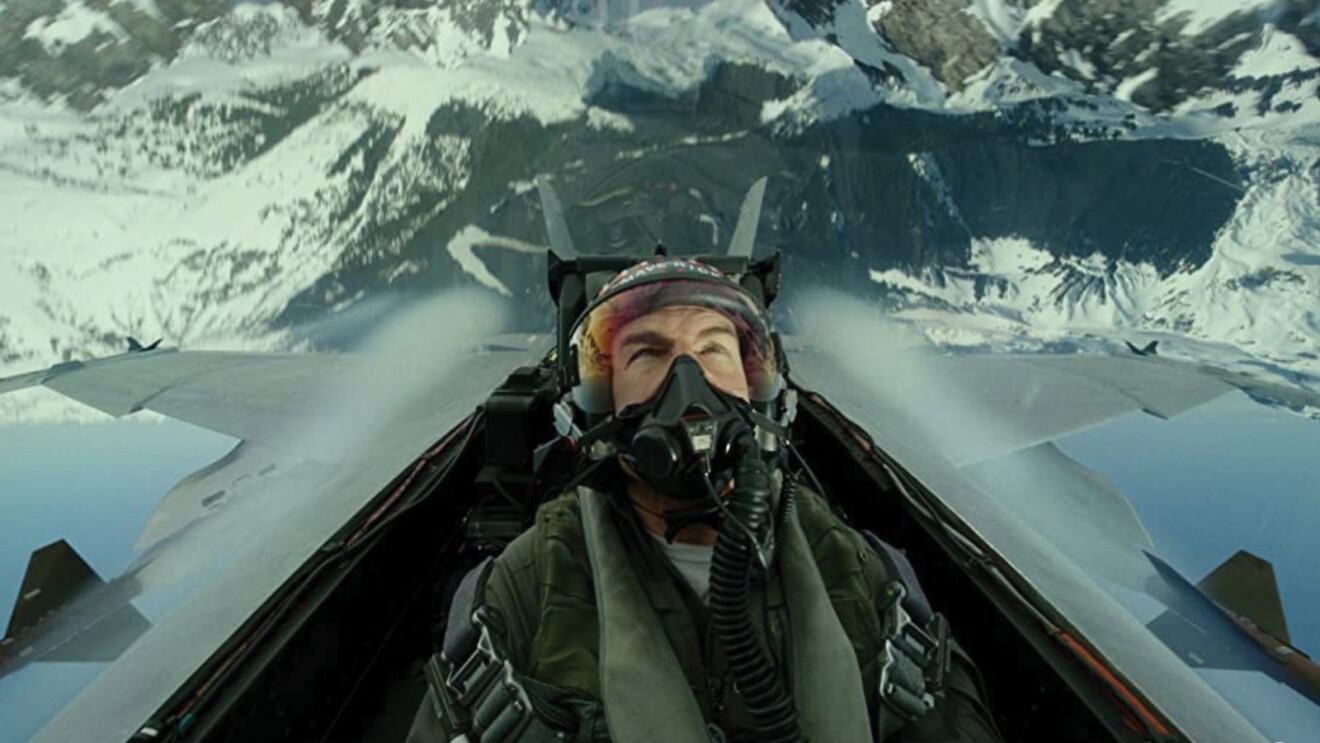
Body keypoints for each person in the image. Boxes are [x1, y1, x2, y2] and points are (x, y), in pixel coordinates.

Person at [408, 257, 1003, 743]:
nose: (689, 381)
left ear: (756, 384)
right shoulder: (529, 583)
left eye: (715, 348)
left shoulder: (852, 568)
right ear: (598, 404)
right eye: (648, 354)